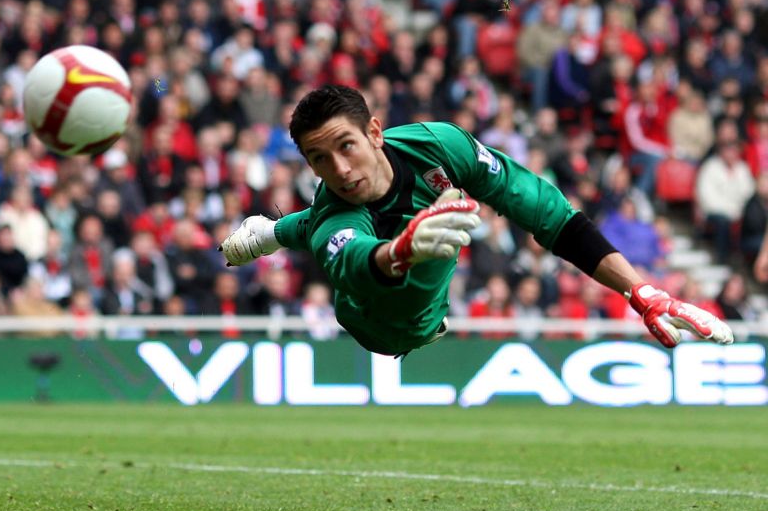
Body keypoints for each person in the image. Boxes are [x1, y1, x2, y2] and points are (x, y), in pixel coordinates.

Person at [219, 85, 733, 355]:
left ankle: (272, 230)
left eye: (346, 146)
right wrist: (403, 249)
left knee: (444, 218)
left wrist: (639, 291)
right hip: (377, 319)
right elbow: (354, 261)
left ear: (375, 131)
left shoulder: (440, 145)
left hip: (404, 236)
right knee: (437, 235)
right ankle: (282, 231)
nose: (339, 169)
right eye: (319, 159)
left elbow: (548, 214)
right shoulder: (334, 216)